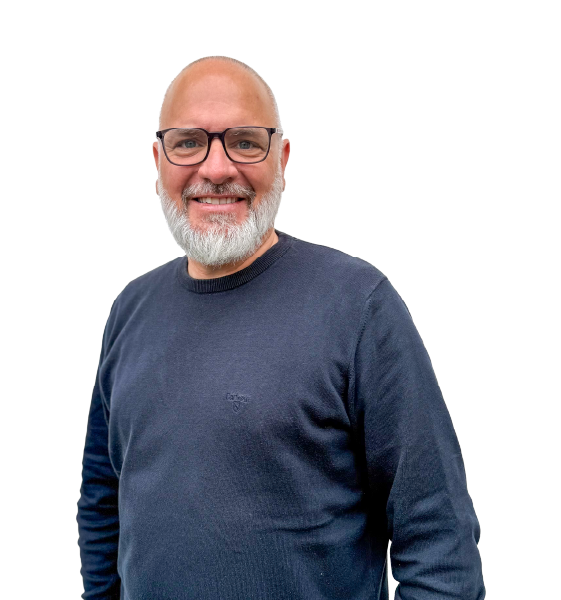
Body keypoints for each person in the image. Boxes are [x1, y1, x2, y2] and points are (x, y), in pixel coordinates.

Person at [77, 55, 485, 600]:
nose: (216, 169)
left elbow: (440, 541)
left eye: (245, 142)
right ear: (158, 161)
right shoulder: (131, 309)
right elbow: (102, 503)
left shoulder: (358, 307)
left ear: (283, 159)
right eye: (188, 143)